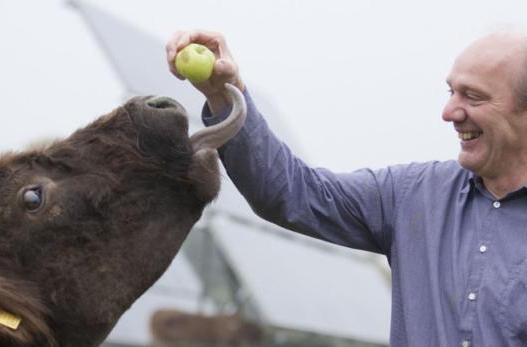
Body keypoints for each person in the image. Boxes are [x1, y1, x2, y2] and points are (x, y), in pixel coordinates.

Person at [166, 30, 527, 346]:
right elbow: (291, 193)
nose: (449, 112)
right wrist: (222, 94)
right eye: (451, 92)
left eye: (473, 97)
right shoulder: (413, 196)